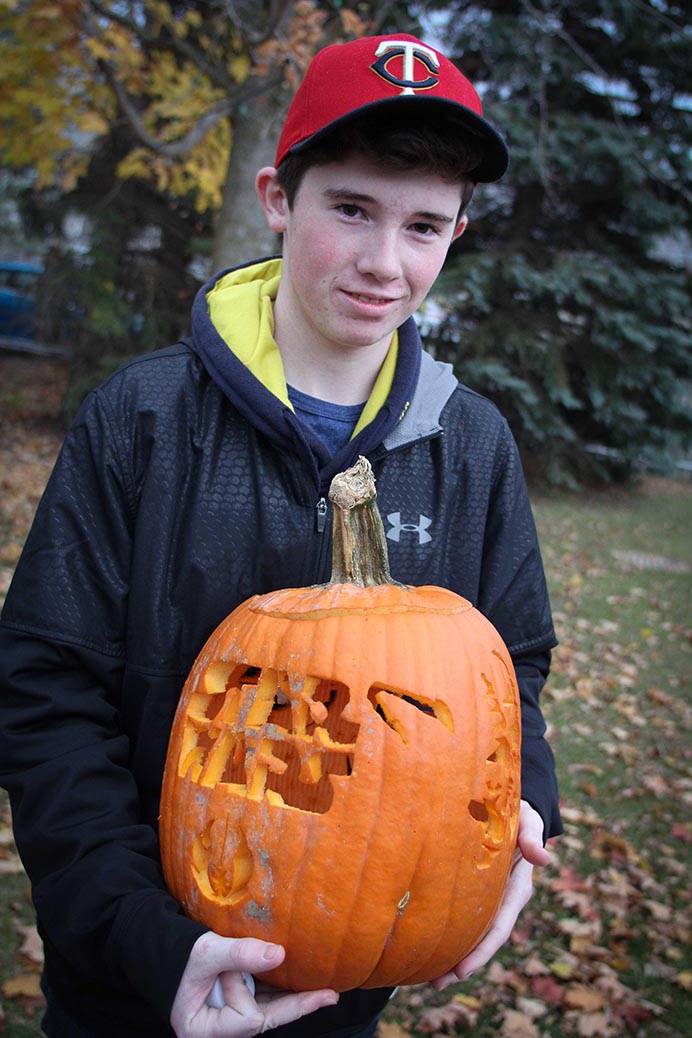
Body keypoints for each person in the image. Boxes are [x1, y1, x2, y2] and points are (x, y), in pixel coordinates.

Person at [0, 32, 561, 1038]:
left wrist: (519, 817)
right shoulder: (143, 419)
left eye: (423, 226)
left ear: (456, 232)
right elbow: (43, 693)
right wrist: (141, 934)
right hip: (138, 984)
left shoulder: (469, 444)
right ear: (276, 198)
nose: (384, 263)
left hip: (352, 984)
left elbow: (507, 675)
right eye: (350, 210)